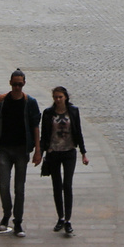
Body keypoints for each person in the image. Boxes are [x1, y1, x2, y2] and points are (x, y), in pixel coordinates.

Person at [0, 69, 40, 237]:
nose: (17, 87)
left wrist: (37, 150)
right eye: (15, 84)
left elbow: (35, 126)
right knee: (3, 185)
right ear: (10, 83)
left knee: (20, 187)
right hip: (4, 149)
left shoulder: (30, 102)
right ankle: (6, 214)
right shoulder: (1, 101)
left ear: (24, 84)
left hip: (21, 150)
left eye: (20, 84)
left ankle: (18, 221)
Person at [33, 86, 89, 236]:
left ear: (65, 97)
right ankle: (61, 217)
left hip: (69, 151)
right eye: (55, 97)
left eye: (60, 97)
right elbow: (45, 135)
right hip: (53, 153)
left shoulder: (73, 111)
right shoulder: (48, 113)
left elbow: (78, 131)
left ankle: (68, 220)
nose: (58, 100)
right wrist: (40, 152)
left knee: (67, 185)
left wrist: (83, 152)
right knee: (56, 185)